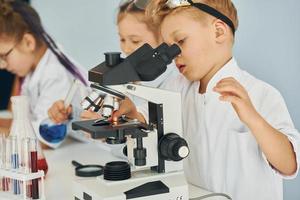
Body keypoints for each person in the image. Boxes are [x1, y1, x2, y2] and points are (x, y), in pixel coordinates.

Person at [110, 0, 300, 199]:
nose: (173, 55)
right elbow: (149, 127)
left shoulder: (261, 94)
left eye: (181, 41)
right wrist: (132, 115)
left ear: (218, 32)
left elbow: (289, 165)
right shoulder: (174, 89)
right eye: (168, 47)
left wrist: (253, 119)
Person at [47, 0, 179, 132]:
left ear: (163, 39)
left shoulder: (171, 84)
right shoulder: (127, 72)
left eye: (135, 41)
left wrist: (109, 129)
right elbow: (103, 115)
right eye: (122, 39)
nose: (126, 49)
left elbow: (146, 129)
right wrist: (71, 114)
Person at [0, 0, 88, 148]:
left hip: (94, 152)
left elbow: (44, 138)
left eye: (4, 56)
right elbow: (25, 121)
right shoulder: (32, 70)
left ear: (28, 42)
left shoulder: (55, 73)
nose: (2, 65)